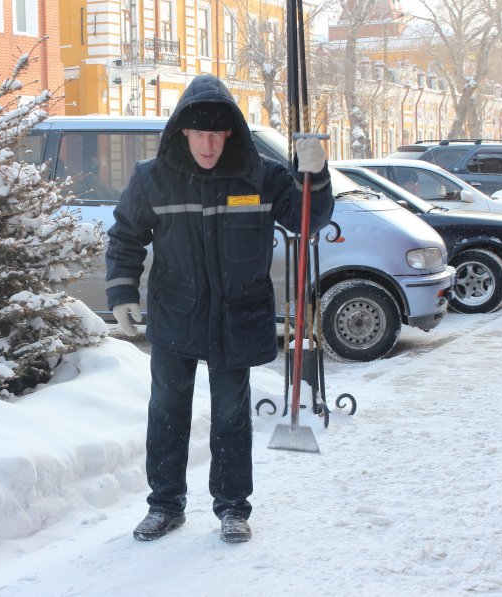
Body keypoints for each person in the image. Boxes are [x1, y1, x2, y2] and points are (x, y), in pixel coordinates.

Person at [105, 74, 334, 544]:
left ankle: (232, 507)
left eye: (217, 133)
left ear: (230, 133)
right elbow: (126, 235)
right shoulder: (154, 178)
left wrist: (316, 173)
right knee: (168, 410)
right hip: (177, 312)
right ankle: (165, 505)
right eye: (199, 133)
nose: (208, 144)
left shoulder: (262, 176)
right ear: (182, 132)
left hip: (237, 314)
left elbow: (306, 219)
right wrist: (122, 292)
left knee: (231, 414)